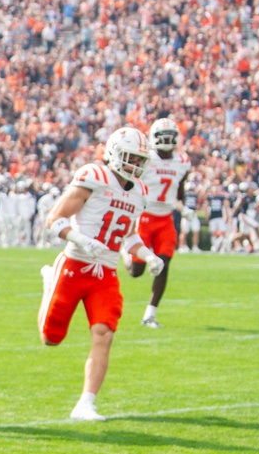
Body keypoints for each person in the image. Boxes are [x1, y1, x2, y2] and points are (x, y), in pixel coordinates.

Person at [38, 127, 165, 422]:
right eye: (131, 157)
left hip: (106, 272)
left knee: (104, 333)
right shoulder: (93, 176)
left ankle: (86, 403)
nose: (135, 165)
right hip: (73, 265)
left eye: (140, 159)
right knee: (51, 338)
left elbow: (129, 237)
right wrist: (82, 240)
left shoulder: (140, 191)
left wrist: (148, 256)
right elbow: (53, 219)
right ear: (114, 153)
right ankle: (48, 284)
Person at [126, 118, 191, 328]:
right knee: (136, 272)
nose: (167, 140)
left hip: (166, 219)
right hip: (144, 217)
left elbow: (179, 189)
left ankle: (149, 315)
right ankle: (123, 248)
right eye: (164, 136)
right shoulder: (145, 158)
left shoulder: (182, 161)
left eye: (171, 136)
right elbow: (130, 183)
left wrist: (183, 206)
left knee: (163, 265)